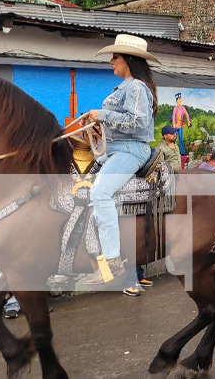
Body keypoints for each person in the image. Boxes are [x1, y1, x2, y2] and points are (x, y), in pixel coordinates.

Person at [82, 34, 159, 286]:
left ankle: (113, 261)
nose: (111, 61)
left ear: (128, 59)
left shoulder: (135, 86)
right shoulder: (125, 87)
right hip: (114, 150)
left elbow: (138, 122)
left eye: (115, 56)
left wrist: (102, 114)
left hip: (130, 150)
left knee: (100, 194)